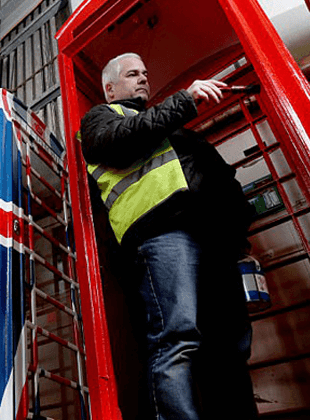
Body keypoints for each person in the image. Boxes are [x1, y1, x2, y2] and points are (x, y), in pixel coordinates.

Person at [79, 52, 258, 419]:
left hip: (212, 241)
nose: (143, 78)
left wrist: (238, 231)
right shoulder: (103, 118)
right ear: (110, 89)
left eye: (145, 72)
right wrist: (184, 100)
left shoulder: (172, 130)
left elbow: (219, 177)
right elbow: (118, 141)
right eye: (133, 74)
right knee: (177, 339)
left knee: (229, 347)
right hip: (161, 235)